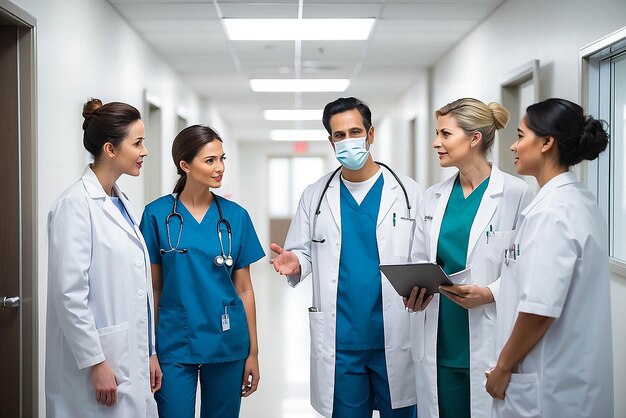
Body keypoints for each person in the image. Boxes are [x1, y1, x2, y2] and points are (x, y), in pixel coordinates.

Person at [270, 97, 420, 418]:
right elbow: (302, 250)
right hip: (342, 342)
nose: (348, 141)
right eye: (340, 135)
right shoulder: (316, 194)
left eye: (355, 131)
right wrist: (296, 261)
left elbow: (423, 255)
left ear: (371, 135)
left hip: (395, 334)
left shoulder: (409, 193)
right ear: (331, 141)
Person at [405, 98, 532, 418]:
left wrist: (490, 292)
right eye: (437, 133)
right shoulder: (432, 197)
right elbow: (420, 260)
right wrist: (414, 290)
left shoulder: (516, 193)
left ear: (474, 138)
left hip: (490, 338)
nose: (436, 142)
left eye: (445, 134)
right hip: (439, 338)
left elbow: (528, 268)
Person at [486, 98, 613, 418]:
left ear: (546, 142)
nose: (513, 146)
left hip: (547, 387)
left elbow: (539, 310)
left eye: (519, 135)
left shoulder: (552, 212)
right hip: (568, 377)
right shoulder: (577, 200)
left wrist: (503, 367)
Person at [139, 125, 264, 418]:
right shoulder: (156, 215)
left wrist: (254, 353)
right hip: (173, 342)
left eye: (222, 159)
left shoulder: (235, 216)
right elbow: (152, 288)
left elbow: (244, 289)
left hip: (227, 341)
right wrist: (150, 350)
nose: (220, 168)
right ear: (185, 165)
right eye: (210, 160)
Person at [46, 98, 159, 417]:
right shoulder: (75, 205)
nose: (144, 151)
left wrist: (149, 352)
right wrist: (95, 362)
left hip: (128, 359)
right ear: (110, 149)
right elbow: (70, 295)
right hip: (98, 365)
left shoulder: (121, 202)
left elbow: (138, 291)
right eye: (137, 143)